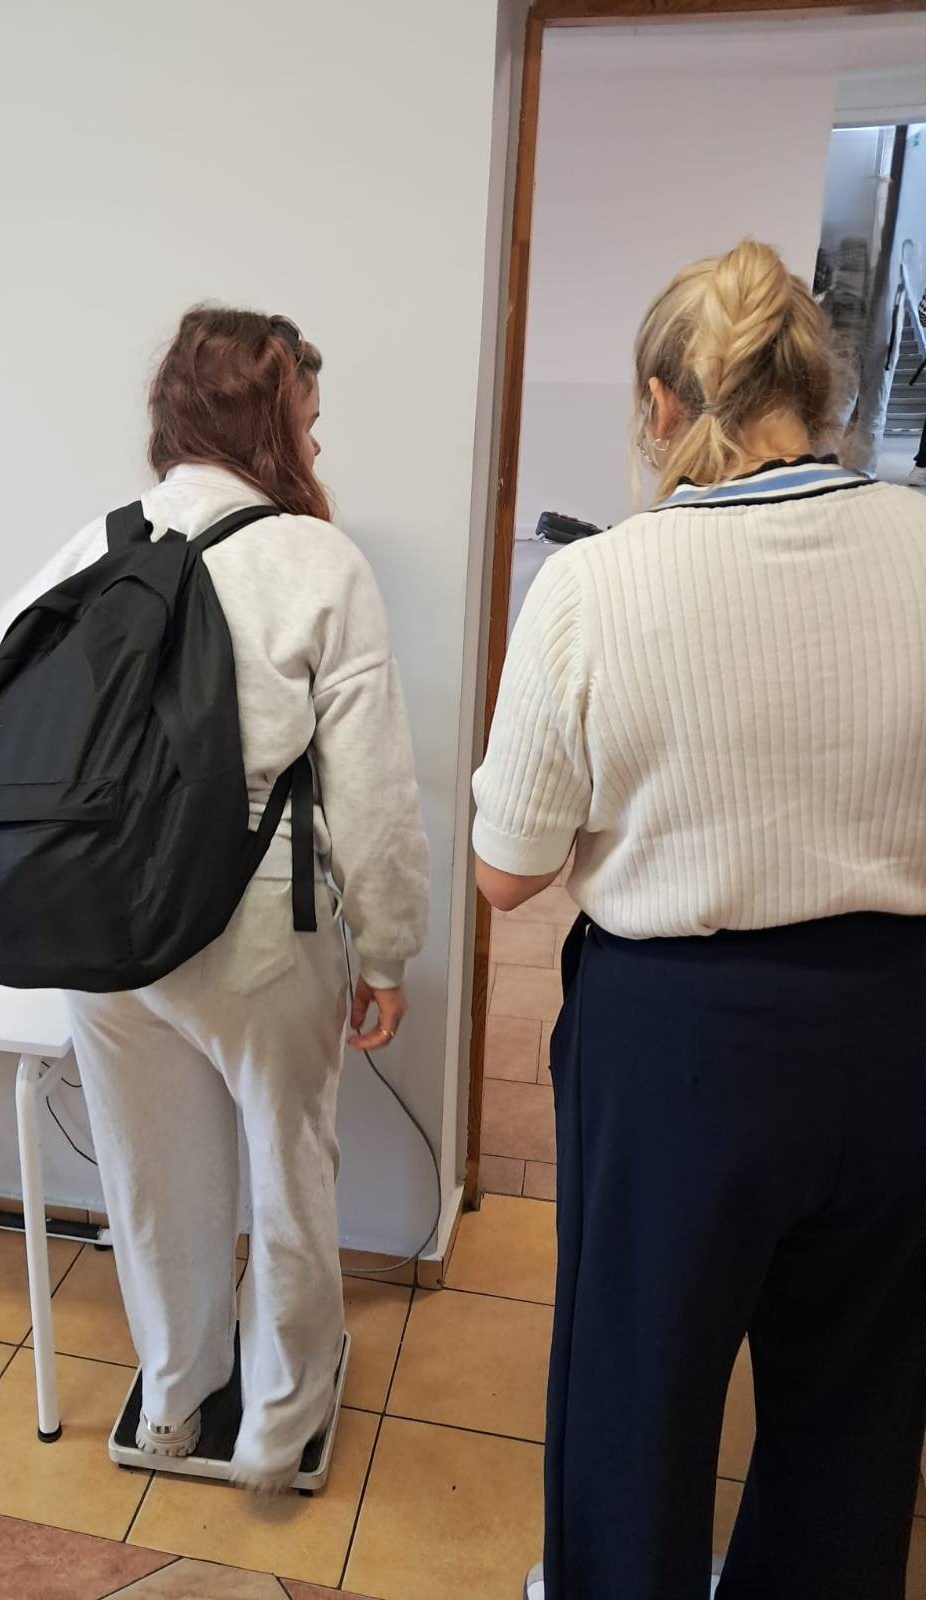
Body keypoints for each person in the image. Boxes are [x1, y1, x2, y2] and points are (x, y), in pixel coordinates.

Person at [473, 240, 926, 1600]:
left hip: (679, 1045)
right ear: (823, 395)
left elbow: (506, 871)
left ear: (662, 406)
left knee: (639, 1386)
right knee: (860, 1399)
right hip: (900, 1027)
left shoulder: (597, 583)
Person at [0, 307, 429, 1490]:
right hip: (254, 926)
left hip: (101, 919)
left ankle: (173, 1400)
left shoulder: (101, 539)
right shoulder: (318, 559)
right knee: (291, 1172)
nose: (318, 443)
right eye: (308, 419)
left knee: (150, 1175)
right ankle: (278, 1423)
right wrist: (387, 950)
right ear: (270, 425)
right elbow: (372, 791)